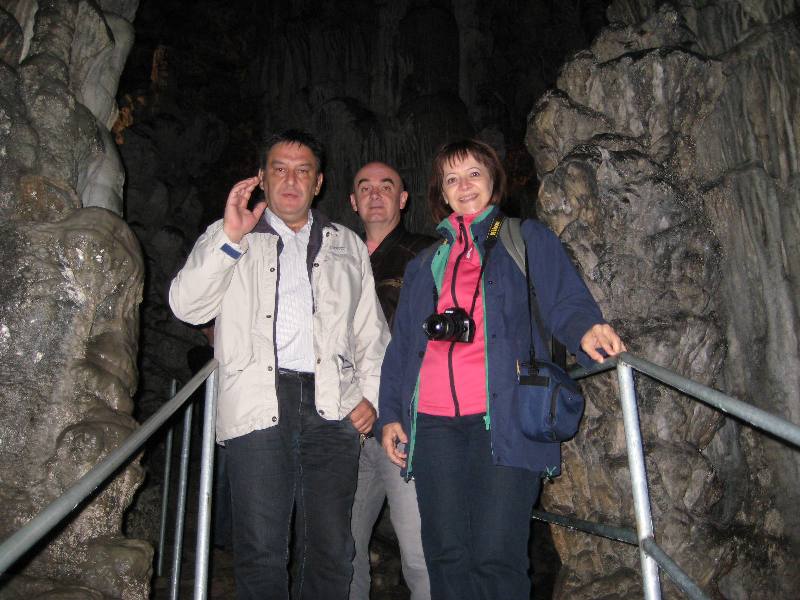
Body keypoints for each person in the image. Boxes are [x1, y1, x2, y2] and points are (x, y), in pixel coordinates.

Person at [377, 139, 626, 600]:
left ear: (493, 181)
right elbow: (403, 348)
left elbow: (563, 300)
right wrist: (390, 413)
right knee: (446, 555)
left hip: (504, 418)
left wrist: (586, 328)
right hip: (432, 425)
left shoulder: (524, 240)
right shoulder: (424, 264)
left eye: (474, 173)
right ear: (441, 193)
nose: (464, 185)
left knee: (497, 557)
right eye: (452, 179)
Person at [169, 130, 390, 600]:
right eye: (280, 169)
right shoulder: (231, 236)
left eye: (303, 171)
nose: (291, 180)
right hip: (258, 405)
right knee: (261, 549)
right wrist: (230, 238)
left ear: (318, 182)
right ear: (262, 178)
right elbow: (187, 307)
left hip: (333, 407)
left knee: (332, 550)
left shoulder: (346, 244)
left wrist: (370, 395)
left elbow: (371, 332)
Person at [347, 162, 434, 600]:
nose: (375, 194)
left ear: (403, 198)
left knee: (420, 553)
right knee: (342, 550)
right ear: (353, 201)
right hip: (345, 422)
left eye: (387, 187)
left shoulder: (428, 253)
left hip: (405, 421)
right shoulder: (337, 258)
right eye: (365, 188)